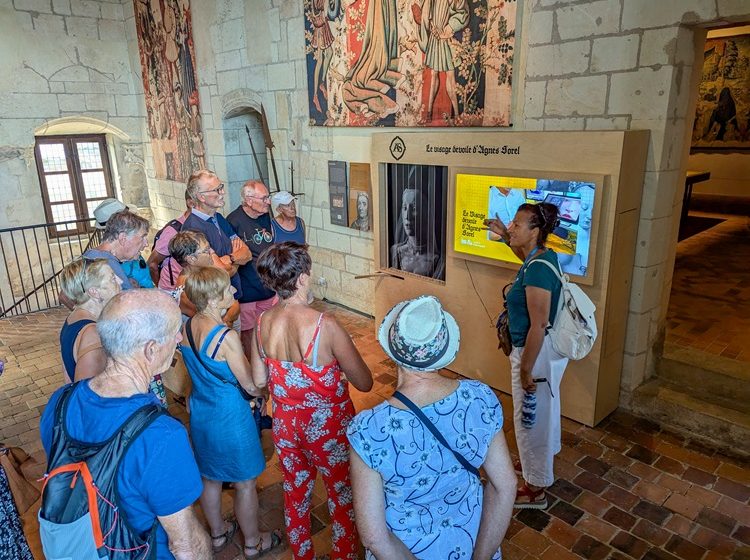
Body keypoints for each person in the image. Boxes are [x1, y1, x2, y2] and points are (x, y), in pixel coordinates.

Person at [40, 290, 211, 559]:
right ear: (150, 349)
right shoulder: (161, 436)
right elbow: (186, 545)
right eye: (174, 331)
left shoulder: (60, 402)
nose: (179, 339)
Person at [346, 295, 516, 559]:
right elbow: (504, 485)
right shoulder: (479, 399)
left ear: (393, 348)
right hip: (470, 543)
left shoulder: (369, 430)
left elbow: (374, 537)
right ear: (443, 350)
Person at [251, 242, 373, 560]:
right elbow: (364, 381)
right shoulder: (325, 325)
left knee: (295, 493)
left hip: (287, 424)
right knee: (341, 496)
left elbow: (260, 380)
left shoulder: (262, 323)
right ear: (303, 277)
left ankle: (302, 555)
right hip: (328, 427)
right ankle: (342, 555)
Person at [179, 266, 282, 559]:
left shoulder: (186, 328)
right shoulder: (225, 338)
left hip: (202, 413)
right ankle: (253, 542)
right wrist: (264, 392)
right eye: (227, 289)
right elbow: (249, 384)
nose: (234, 292)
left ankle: (217, 533)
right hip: (231, 417)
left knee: (210, 477)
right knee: (245, 483)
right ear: (213, 299)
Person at [484, 202, 568, 509]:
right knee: (541, 413)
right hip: (537, 352)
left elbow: (538, 325)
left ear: (535, 231)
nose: (511, 227)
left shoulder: (537, 272)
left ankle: (536, 489)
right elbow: (523, 255)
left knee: (529, 418)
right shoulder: (540, 257)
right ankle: (537, 464)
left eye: (517, 225)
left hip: (534, 353)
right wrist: (504, 236)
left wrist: (525, 370)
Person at [182, 169, 252, 304]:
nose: (223, 193)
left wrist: (228, 260)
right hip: (213, 303)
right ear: (201, 197)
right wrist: (235, 257)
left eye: (221, 187)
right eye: (217, 190)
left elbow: (247, 253)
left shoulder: (218, 218)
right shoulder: (192, 228)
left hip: (232, 297)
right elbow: (218, 274)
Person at [227, 180, 278, 357]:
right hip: (248, 290)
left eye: (268, 197)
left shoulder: (265, 216)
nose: (268, 202)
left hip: (269, 287)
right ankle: (252, 365)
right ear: (249, 200)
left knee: (268, 327)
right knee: (248, 332)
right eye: (264, 198)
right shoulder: (234, 221)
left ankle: (268, 360)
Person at [58, 258, 120, 384]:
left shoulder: (73, 318)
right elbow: (87, 397)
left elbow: (68, 377)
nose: (120, 281)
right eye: (112, 279)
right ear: (94, 292)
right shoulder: (92, 334)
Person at [169, 231, 239, 327]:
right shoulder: (186, 292)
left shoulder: (205, 274)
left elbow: (234, 304)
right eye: (206, 251)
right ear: (191, 259)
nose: (211, 254)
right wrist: (228, 321)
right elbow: (213, 323)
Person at [92, 199, 154, 289]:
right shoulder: (105, 265)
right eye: (142, 237)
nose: (146, 244)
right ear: (123, 237)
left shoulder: (110, 257)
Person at [390, 186, 444, 280]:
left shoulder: (437, 260)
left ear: (426, 213)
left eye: (414, 208)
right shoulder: (396, 252)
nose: (407, 216)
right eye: (405, 208)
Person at [148, 191, 194, 290]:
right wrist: (162, 289)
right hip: (173, 289)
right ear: (190, 203)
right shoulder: (172, 232)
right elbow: (152, 264)